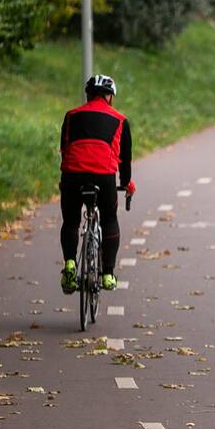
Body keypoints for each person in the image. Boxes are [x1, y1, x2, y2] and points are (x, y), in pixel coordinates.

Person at [58, 74, 135, 294]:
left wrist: (65, 180)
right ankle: (108, 274)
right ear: (110, 97)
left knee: (71, 221)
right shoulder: (120, 120)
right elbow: (125, 158)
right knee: (109, 218)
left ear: (88, 94)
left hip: (73, 175)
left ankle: (70, 264)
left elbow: (65, 149)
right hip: (104, 176)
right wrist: (126, 183)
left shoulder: (71, 116)